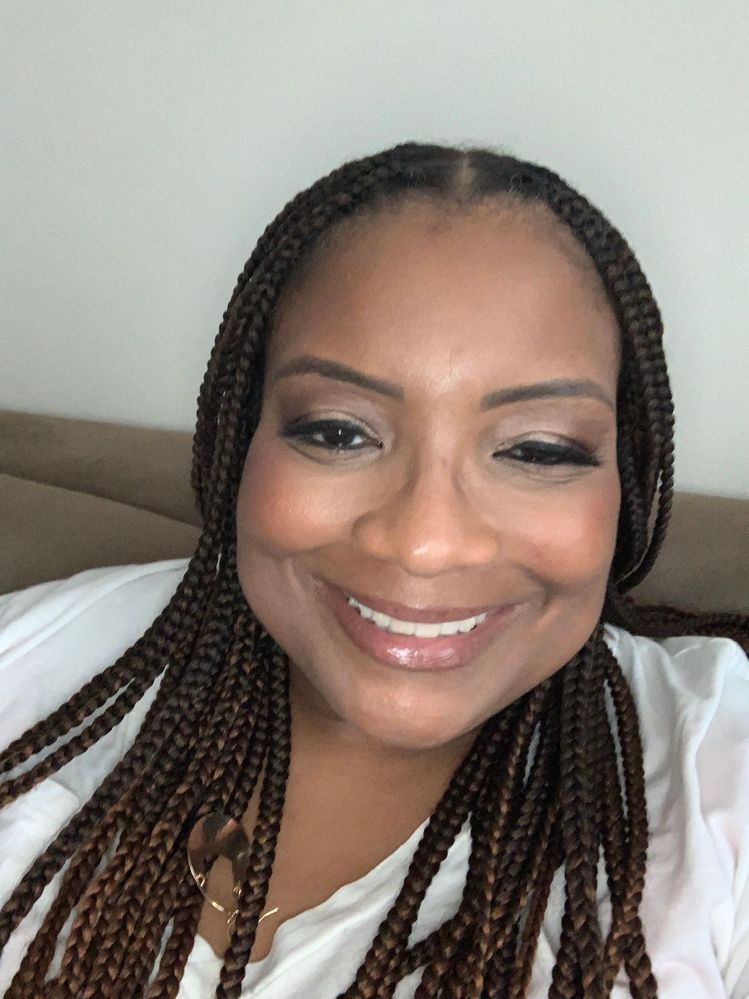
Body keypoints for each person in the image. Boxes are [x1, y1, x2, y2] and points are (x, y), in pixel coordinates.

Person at [0, 142, 748, 999]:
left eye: (537, 449)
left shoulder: (717, 778)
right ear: (238, 445)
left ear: (628, 483)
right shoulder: (28, 669)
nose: (424, 542)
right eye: (337, 431)